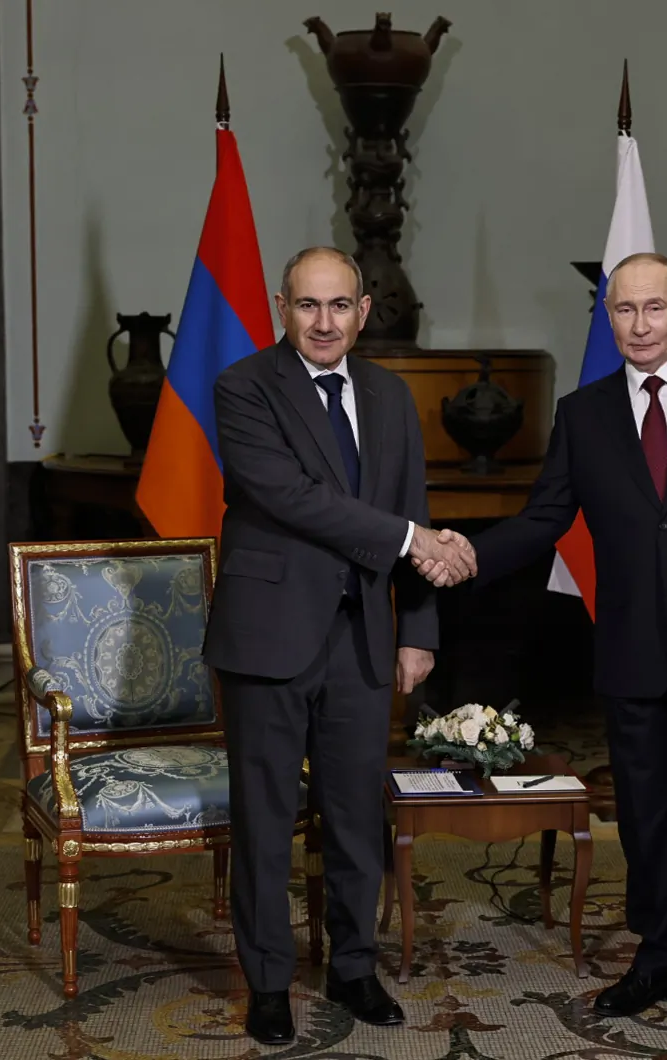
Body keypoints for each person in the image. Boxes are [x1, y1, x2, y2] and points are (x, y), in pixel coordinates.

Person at [416, 252, 667, 1043]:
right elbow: (544, 518)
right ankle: (660, 960)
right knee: (646, 815)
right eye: (624, 310)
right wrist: (468, 554)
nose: (639, 325)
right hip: (631, 648)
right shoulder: (583, 412)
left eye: (654, 308)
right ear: (609, 318)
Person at [204, 246, 476, 1047]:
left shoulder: (390, 395)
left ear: (362, 312)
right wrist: (414, 539)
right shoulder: (243, 388)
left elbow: (412, 502)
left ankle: (354, 969)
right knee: (264, 820)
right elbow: (293, 498)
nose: (324, 322)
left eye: (339, 305)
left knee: (357, 815)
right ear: (280, 308)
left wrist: (418, 631)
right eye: (308, 305)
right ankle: (266, 984)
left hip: (362, 639)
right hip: (267, 636)